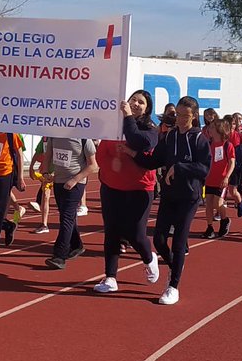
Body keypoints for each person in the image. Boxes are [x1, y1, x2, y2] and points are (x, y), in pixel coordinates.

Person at [133, 95, 210, 304]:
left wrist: (179, 167)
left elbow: (204, 169)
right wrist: (133, 154)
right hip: (169, 194)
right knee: (158, 239)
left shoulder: (199, 139)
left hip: (189, 196)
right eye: (178, 115)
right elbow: (154, 160)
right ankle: (176, 265)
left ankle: (173, 286)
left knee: (178, 242)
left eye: (186, 116)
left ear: (194, 117)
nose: (181, 119)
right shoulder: (169, 137)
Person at [93, 90, 162, 293]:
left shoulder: (149, 129)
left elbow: (141, 142)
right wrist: (109, 169)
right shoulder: (114, 126)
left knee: (136, 233)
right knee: (112, 232)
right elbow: (102, 152)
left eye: (141, 102)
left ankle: (149, 258)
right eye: (133, 100)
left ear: (147, 108)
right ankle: (110, 277)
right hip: (112, 187)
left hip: (139, 189)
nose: (135, 104)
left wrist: (128, 117)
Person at [43, 137, 98, 269]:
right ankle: (76, 245)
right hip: (58, 182)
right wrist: (45, 172)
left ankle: (59, 256)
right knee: (67, 215)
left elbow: (93, 166)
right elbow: (47, 156)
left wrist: (75, 180)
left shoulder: (84, 139)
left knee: (66, 218)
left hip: (75, 184)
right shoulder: (54, 137)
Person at [201, 118, 235, 239]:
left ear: (219, 130)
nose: (209, 130)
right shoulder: (208, 144)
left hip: (221, 180)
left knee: (218, 202)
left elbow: (232, 162)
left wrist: (226, 177)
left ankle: (224, 220)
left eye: (212, 127)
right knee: (208, 204)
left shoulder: (227, 145)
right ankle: (209, 227)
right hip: (209, 179)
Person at [227, 112, 242, 220]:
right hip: (222, 166)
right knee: (219, 190)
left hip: (235, 166)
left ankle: (240, 202)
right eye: (228, 124)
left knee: (232, 190)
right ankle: (219, 211)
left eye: (232, 124)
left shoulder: (239, 136)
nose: (230, 126)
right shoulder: (220, 135)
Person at [28, 137, 53, 233]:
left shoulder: (60, 139)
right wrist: (31, 167)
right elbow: (37, 152)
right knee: (46, 195)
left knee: (60, 199)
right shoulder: (45, 139)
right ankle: (44, 224)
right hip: (46, 171)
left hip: (59, 172)